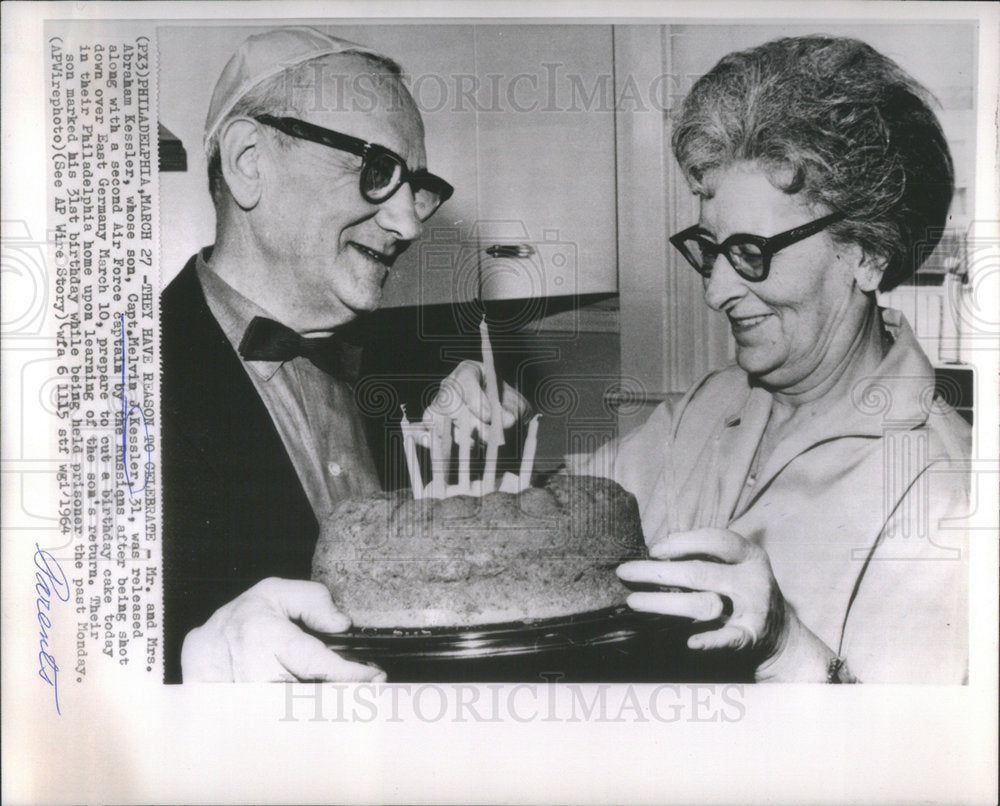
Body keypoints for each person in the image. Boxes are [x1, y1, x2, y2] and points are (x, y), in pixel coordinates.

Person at [587, 36, 969, 683]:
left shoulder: (947, 497)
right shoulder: (707, 409)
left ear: (868, 253)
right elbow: (567, 514)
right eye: (710, 250)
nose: (716, 291)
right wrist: (492, 432)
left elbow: (917, 764)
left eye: (751, 253)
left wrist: (787, 646)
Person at [161, 28, 523, 683]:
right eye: (376, 170)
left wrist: (453, 478)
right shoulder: (112, 395)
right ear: (249, 161)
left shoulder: (418, 381)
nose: (410, 225)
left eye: (417, 187)